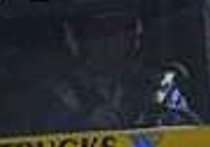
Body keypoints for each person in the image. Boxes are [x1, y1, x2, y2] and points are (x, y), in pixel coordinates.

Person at [32, 10, 201, 132]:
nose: (113, 42)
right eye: (100, 33)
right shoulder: (59, 95)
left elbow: (191, 137)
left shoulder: (161, 85)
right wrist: (84, 125)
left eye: (122, 30)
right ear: (78, 41)